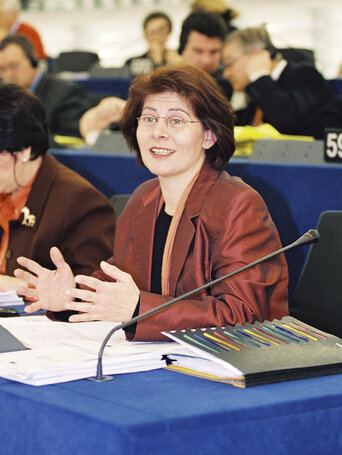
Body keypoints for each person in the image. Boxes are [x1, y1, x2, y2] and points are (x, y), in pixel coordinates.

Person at [15, 66, 288, 341]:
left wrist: (138, 309)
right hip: (162, 358)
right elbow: (118, 283)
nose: (158, 132)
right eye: (148, 119)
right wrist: (70, 296)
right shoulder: (143, 200)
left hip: (234, 367)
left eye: (176, 121)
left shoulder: (238, 205)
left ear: (209, 135)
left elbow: (245, 316)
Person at [0, 82, 115, 292]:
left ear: (24, 151)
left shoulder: (82, 204)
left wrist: (21, 286)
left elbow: (94, 291)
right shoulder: (7, 184)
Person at [79, 11, 232, 143]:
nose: (206, 60)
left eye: (214, 52)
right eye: (198, 51)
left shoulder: (228, 83)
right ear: (182, 50)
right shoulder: (141, 66)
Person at [222, 26, 342, 139]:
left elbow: (286, 121)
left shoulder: (306, 75)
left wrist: (259, 77)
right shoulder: (254, 89)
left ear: (257, 56)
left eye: (229, 63)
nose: (226, 73)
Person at [0, 35, 90, 138]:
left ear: (33, 61)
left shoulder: (65, 92)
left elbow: (72, 141)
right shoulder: (4, 96)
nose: (8, 75)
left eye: (14, 66)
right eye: (2, 69)